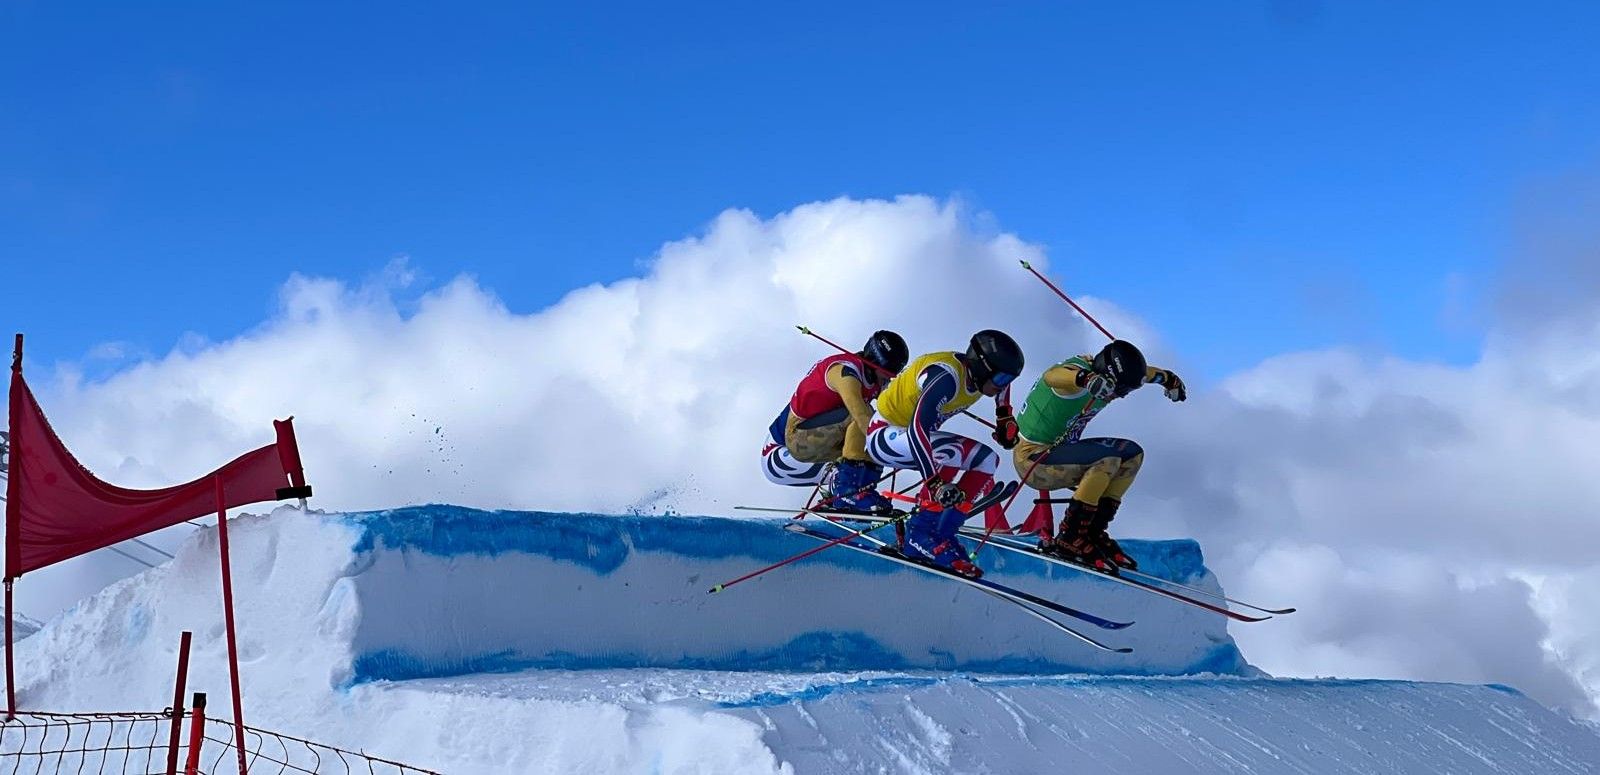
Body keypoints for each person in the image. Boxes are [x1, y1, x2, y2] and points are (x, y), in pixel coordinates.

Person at [1006, 339, 1186, 573]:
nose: (1120, 396)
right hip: (1033, 461)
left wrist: (1168, 379)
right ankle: (1069, 537)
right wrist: (1085, 379)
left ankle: (1092, 532)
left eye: (1127, 391)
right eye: (1120, 389)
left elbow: (1146, 375)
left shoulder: (1110, 377)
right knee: (1107, 461)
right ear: (1107, 376)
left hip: (1060, 455)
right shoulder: (1075, 379)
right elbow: (1053, 376)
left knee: (1132, 455)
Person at [864, 329, 1025, 577]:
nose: (1002, 384)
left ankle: (942, 532)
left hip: (913, 439)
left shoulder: (981, 377)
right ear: (982, 367)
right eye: (1001, 378)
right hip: (884, 436)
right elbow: (918, 429)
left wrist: (1004, 414)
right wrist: (935, 483)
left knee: (987, 460)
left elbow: (1003, 388)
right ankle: (920, 533)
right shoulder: (946, 378)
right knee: (951, 452)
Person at [761, 330, 910, 513]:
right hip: (780, 454)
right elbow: (860, 415)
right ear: (874, 363)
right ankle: (847, 493)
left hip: (811, 447)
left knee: (873, 440)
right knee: (866, 420)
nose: (888, 380)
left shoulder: (872, 379)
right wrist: (896, 449)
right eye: (886, 374)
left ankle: (854, 497)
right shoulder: (844, 371)